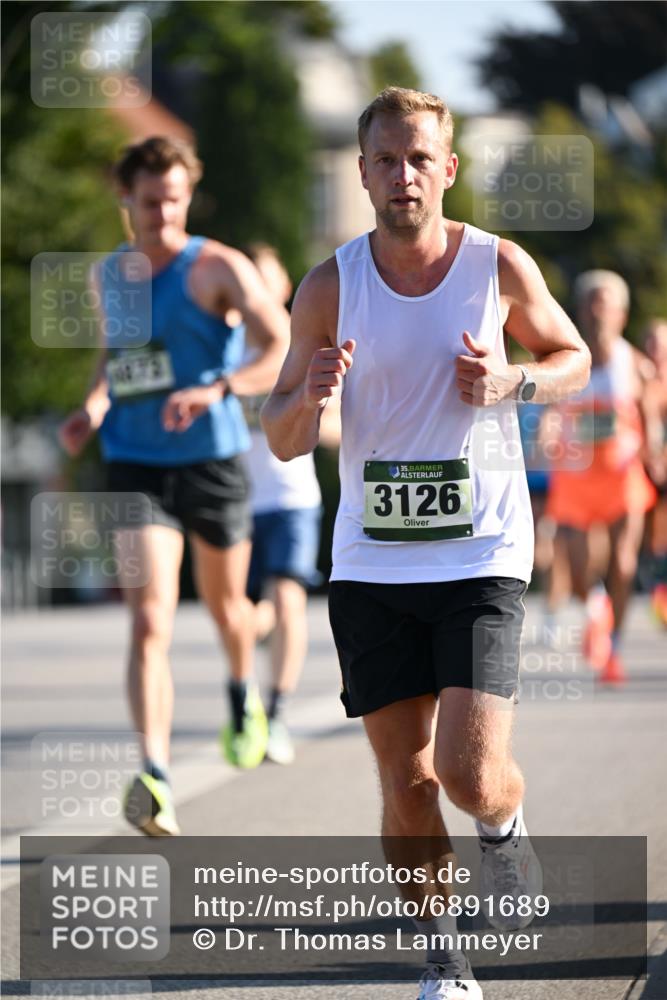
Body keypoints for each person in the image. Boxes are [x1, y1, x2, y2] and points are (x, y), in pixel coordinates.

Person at [262, 87, 590, 1000]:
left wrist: (513, 382)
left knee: (468, 771)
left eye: (418, 158)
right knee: (405, 781)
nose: (401, 174)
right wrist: (306, 397)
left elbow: (575, 360)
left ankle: (502, 825)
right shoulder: (329, 284)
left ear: (446, 168)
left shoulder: (497, 265)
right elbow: (281, 436)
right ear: (361, 173)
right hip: (370, 561)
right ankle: (445, 961)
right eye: (383, 160)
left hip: (480, 551)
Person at [59, 136, 288, 835]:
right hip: (135, 460)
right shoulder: (111, 276)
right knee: (149, 617)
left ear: (187, 199)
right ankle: (153, 774)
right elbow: (117, 359)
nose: (161, 215)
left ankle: (242, 691)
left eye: (173, 201)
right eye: (148, 202)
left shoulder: (218, 266)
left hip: (212, 463)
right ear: (125, 201)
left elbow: (277, 342)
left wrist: (217, 387)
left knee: (227, 613)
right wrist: (94, 407)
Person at [231, 243, 327, 765]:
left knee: (287, 601)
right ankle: (246, 699)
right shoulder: (225, 350)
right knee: (241, 615)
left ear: (284, 287)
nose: (257, 292)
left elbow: (333, 420)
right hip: (237, 504)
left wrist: (315, 416)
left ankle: (279, 710)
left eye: (265, 280)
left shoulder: (301, 345)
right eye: (249, 281)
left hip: (291, 498)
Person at [545, 271, 658, 683]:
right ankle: (595, 606)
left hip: (622, 473)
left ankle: (613, 648)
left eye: (605, 303)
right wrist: (547, 429)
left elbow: (648, 416)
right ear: (578, 311)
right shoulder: (566, 361)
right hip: (575, 476)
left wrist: (656, 453)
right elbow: (551, 409)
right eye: (591, 302)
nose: (597, 311)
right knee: (576, 572)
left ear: (621, 314)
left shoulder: (635, 364)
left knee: (624, 562)